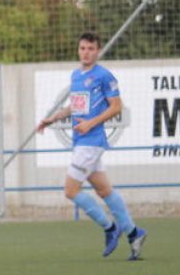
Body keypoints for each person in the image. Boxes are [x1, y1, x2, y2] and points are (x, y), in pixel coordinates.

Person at [36, 32, 147, 260]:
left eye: (90, 48)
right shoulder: (76, 75)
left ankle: (110, 228)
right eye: (82, 48)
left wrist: (91, 123)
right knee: (104, 190)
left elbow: (116, 107)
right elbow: (75, 107)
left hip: (91, 143)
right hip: (82, 142)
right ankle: (134, 233)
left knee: (70, 190)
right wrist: (53, 118)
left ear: (98, 51)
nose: (86, 52)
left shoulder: (104, 76)